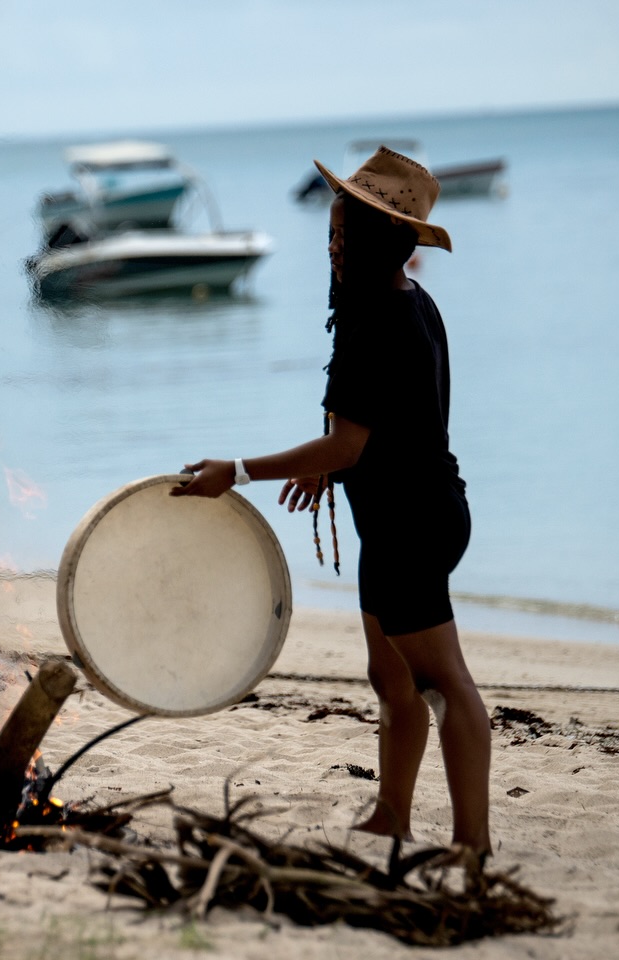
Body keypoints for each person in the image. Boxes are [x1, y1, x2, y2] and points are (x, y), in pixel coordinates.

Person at [171, 147, 491, 860]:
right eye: (331, 234)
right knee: (392, 677)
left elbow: (349, 444)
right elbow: (376, 419)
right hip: (409, 515)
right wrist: (329, 459)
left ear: (381, 239)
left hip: (410, 523)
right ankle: (391, 815)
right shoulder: (405, 301)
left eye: (344, 235)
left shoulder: (373, 316)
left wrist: (240, 471)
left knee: (444, 680)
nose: (333, 245)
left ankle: (473, 841)